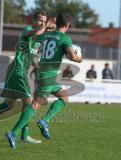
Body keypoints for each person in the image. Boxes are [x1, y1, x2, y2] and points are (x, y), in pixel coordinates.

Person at [0, 11, 52, 144]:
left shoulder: (38, 40)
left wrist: (37, 67)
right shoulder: (28, 30)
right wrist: (46, 27)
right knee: (29, 103)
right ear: (33, 21)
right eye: (40, 21)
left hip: (17, 71)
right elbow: (34, 34)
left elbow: (30, 56)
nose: (42, 23)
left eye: (44, 21)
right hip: (17, 71)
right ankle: (23, 135)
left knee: (8, 105)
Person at [5, 13, 82, 148]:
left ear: (56, 23)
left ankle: (45, 121)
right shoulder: (65, 39)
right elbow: (73, 56)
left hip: (43, 74)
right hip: (48, 76)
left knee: (64, 97)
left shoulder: (47, 35)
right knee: (34, 106)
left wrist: (47, 27)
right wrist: (79, 57)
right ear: (67, 25)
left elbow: (34, 37)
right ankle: (13, 132)